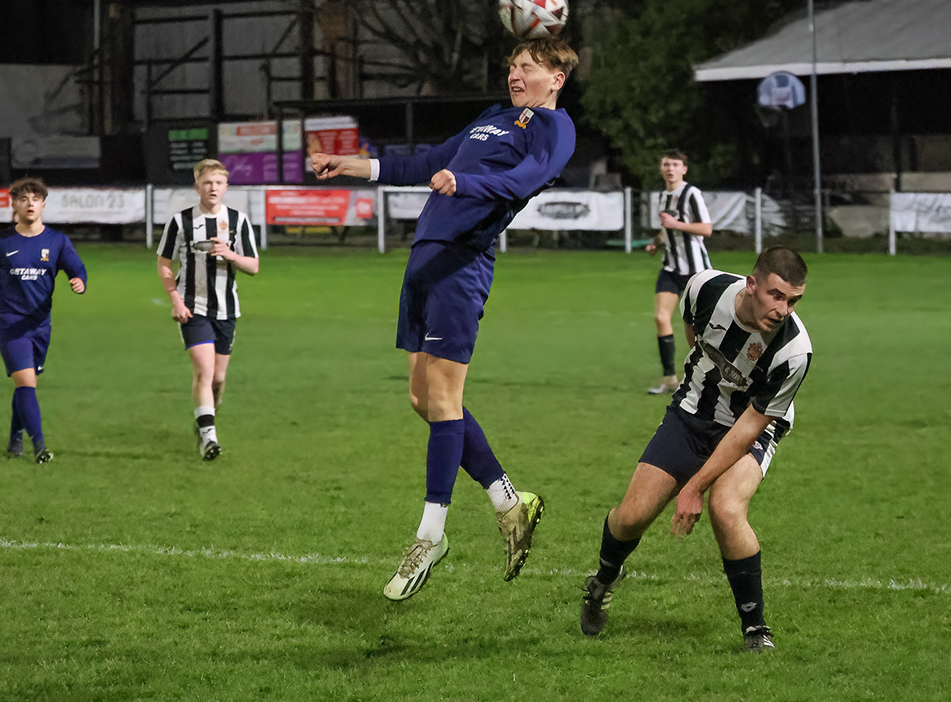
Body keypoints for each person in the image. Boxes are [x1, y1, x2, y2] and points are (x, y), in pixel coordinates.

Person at [309, 36, 579, 601]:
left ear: (556, 78)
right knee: (422, 399)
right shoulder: (492, 118)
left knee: (446, 399)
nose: (514, 74)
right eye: (511, 65)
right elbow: (428, 161)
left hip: (462, 262)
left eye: (527, 67)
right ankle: (510, 501)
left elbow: (525, 179)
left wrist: (466, 183)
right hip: (424, 260)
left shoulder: (555, 128)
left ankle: (430, 536)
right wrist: (354, 165)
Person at [580, 246, 812, 652]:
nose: (783, 310)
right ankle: (604, 579)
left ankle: (755, 629)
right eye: (776, 295)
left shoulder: (793, 353)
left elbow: (748, 428)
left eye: (793, 301)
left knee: (726, 508)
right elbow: (694, 334)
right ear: (752, 284)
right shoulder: (704, 287)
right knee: (631, 517)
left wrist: (694, 486)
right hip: (690, 413)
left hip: (751, 428)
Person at [0, 177, 88, 463]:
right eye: (23, 199)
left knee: (27, 382)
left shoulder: (57, 241)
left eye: (35, 199)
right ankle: (40, 446)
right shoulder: (1, 242)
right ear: (14, 205)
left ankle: (14, 440)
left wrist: (78, 280)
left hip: (39, 324)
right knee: (25, 381)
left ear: (43, 205)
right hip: (9, 323)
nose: (30, 204)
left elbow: (76, 267)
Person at [156, 159, 259, 460]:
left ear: (226, 187)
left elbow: (253, 266)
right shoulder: (181, 222)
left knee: (218, 380)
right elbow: (164, 263)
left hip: (226, 309)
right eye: (207, 183)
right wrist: (176, 300)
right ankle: (209, 438)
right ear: (197, 186)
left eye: (218, 183)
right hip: (192, 307)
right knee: (204, 371)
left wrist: (230, 254)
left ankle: (205, 420)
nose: (213, 188)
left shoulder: (238, 221)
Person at [644, 150, 711, 395]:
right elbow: (667, 230)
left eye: (675, 164)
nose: (670, 169)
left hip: (696, 271)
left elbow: (706, 229)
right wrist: (656, 242)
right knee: (661, 318)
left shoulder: (691, 193)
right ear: (661, 168)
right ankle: (670, 378)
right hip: (671, 267)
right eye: (666, 164)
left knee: (698, 329)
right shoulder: (663, 196)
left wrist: (676, 224)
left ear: (684, 169)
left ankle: (705, 378)